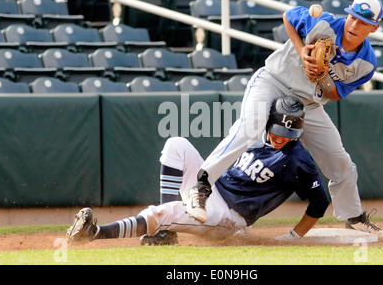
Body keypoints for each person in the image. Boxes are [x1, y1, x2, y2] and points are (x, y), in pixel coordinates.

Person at [185, 0, 383, 241]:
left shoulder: (366, 63)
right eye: (352, 17)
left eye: (362, 22)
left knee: (339, 159)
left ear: (374, 28)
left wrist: (323, 75)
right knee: (249, 129)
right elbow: (288, 17)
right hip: (273, 81)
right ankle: (202, 185)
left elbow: (335, 94)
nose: (354, 25)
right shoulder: (323, 24)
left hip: (308, 102)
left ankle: (353, 218)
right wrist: (302, 50)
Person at [66, 95, 330, 244]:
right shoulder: (256, 134)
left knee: (163, 212)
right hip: (212, 190)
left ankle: (94, 234)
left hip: (228, 216)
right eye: (276, 130)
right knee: (176, 144)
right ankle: (165, 234)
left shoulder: (298, 159)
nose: (280, 137)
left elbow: (320, 202)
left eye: (287, 133)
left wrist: (294, 236)